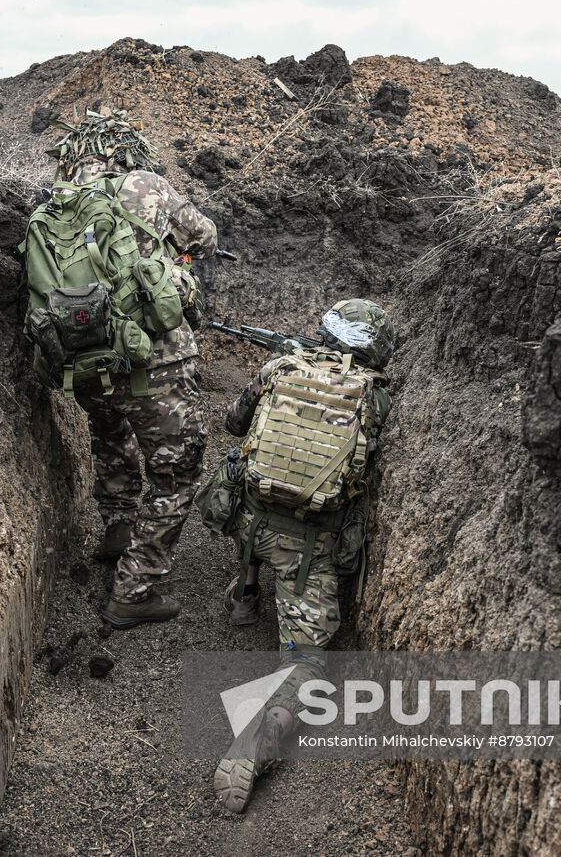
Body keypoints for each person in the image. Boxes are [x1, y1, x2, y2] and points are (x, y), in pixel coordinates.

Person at [204, 298, 396, 812]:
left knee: (244, 471)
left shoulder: (278, 367)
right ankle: (253, 743)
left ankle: (244, 595)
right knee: (308, 663)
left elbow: (234, 425)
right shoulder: (376, 399)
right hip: (304, 549)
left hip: (247, 524)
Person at [47, 109, 218, 629]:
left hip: (85, 359)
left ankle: (119, 528)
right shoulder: (146, 184)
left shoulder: (58, 201)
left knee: (110, 433)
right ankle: (133, 588)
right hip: (156, 364)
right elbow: (204, 238)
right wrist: (173, 261)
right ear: (126, 150)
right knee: (177, 469)